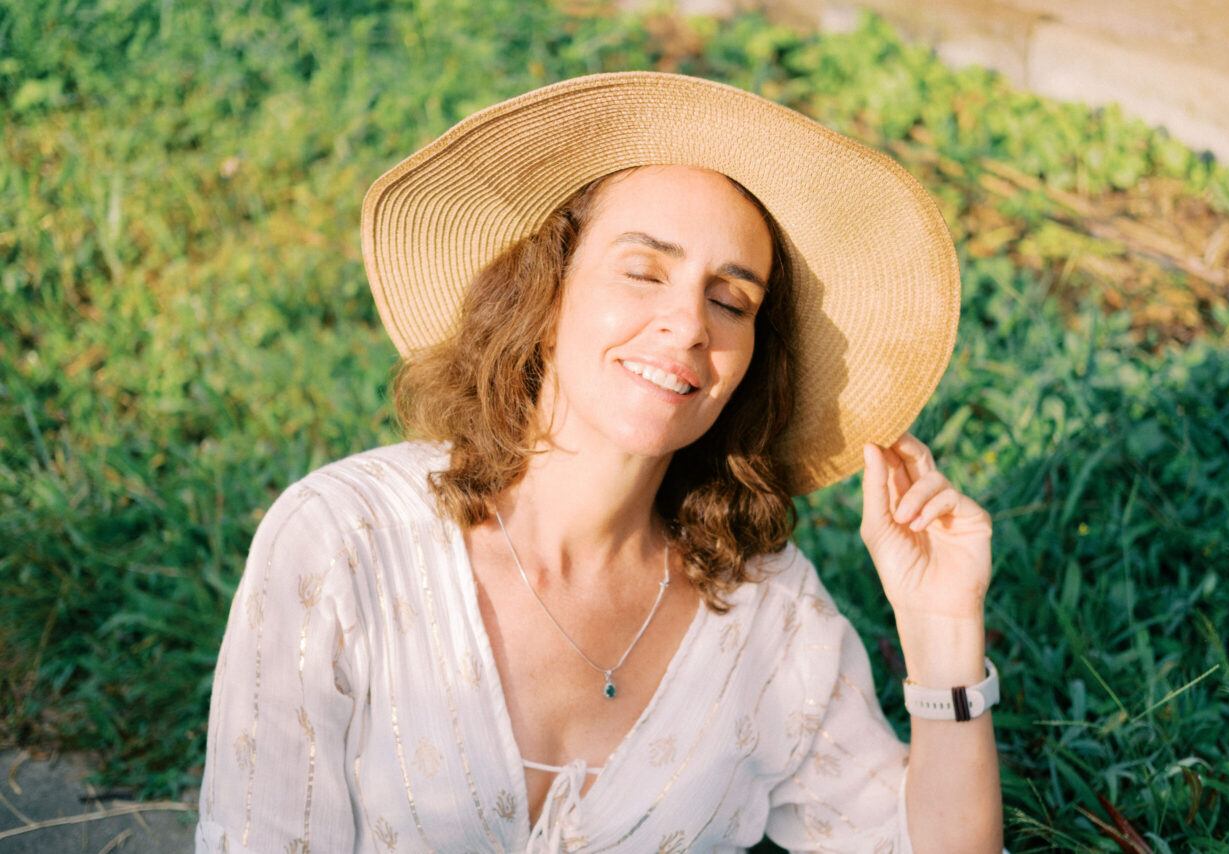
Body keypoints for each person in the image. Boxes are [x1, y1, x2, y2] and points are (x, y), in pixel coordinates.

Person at [196, 72, 1002, 853]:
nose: (688, 325)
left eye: (730, 301)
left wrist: (942, 631)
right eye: (643, 271)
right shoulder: (344, 541)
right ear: (544, 297)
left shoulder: (767, 614)